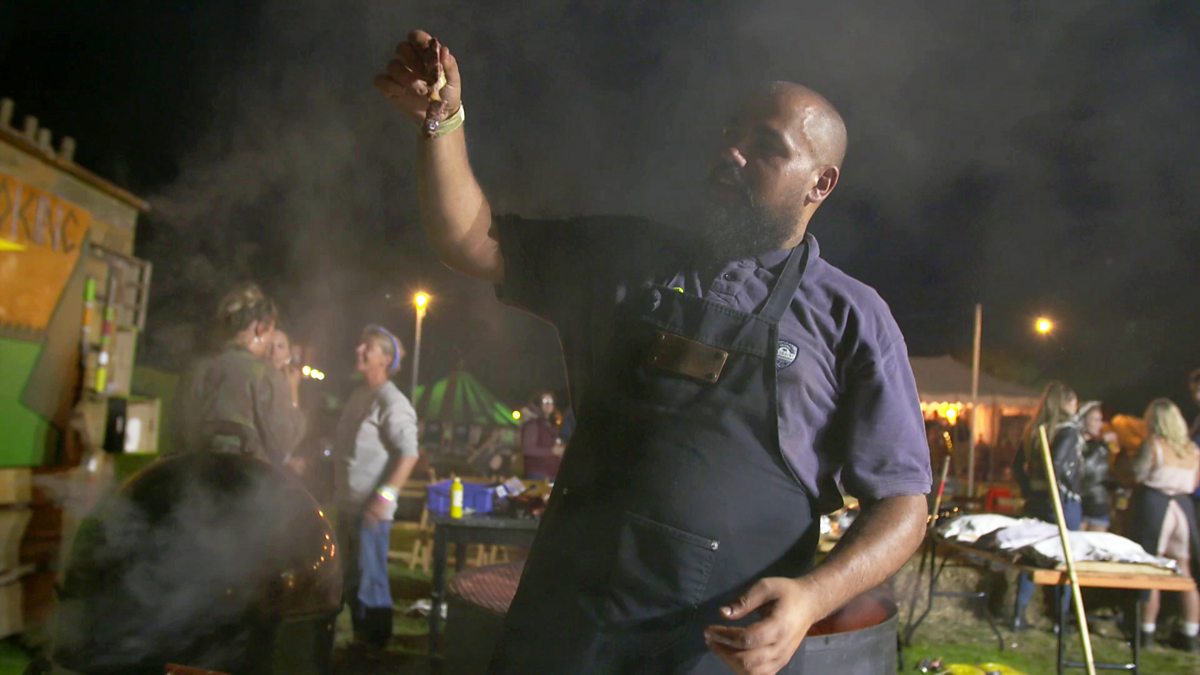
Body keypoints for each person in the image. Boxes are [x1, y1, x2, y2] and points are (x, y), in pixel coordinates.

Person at [375, 31, 931, 674]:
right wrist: (443, 124)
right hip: (564, 630)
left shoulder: (851, 318)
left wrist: (812, 598)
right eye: (730, 133)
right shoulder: (627, 258)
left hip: (716, 652)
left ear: (820, 182)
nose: (732, 152)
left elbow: (904, 506)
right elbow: (470, 242)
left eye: (765, 146)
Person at [333, 324, 420, 650]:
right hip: (348, 504)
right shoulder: (359, 395)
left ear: (384, 359)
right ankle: (361, 642)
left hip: (371, 511)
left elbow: (409, 453)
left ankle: (376, 648)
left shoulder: (391, 400)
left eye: (367, 347)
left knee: (370, 581)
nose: (359, 350)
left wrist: (384, 498)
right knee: (352, 580)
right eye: (360, 345)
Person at [172, 283, 305, 464]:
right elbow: (283, 442)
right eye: (271, 331)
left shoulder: (195, 369)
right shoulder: (264, 374)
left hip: (197, 474)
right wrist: (293, 394)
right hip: (244, 477)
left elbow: (179, 434)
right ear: (261, 328)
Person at [1130, 398, 1200, 651]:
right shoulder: (1192, 450)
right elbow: (1194, 483)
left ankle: (1146, 630)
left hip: (1156, 504)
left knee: (1152, 566)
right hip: (1183, 508)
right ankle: (1190, 632)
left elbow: (1137, 474)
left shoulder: (1153, 445)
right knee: (1184, 569)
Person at [1012, 381, 1081, 630]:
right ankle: (1059, 617)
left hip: (1038, 498)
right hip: (1060, 501)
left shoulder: (1034, 429)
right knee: (1065, 557)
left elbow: (1017, 465)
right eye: (1074, 402)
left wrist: (1028, 489)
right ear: (1066, 403)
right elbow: (1059, 464)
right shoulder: (1068, 430)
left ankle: (1019, 613)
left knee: (1033, 555)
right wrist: (1067, 489)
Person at [1078, 401, 1114, 532]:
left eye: (1101, 420)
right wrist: (1102, 445)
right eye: (1096, 420)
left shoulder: (1098, 446)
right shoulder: (1076, 443)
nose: (1100, 424)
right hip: (1079, 504)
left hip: (1097, 504)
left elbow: (1102, 474)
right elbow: (1085, 469)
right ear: (1083, 421)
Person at [520, 390, 563, 480]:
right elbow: (527, 449)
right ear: (538, 404)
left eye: (551, 401)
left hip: (552, 474)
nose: (548, 404)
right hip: (538, 475)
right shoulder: (533, 424)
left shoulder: (551, 425)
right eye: (545, 401)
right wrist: (551, 451)